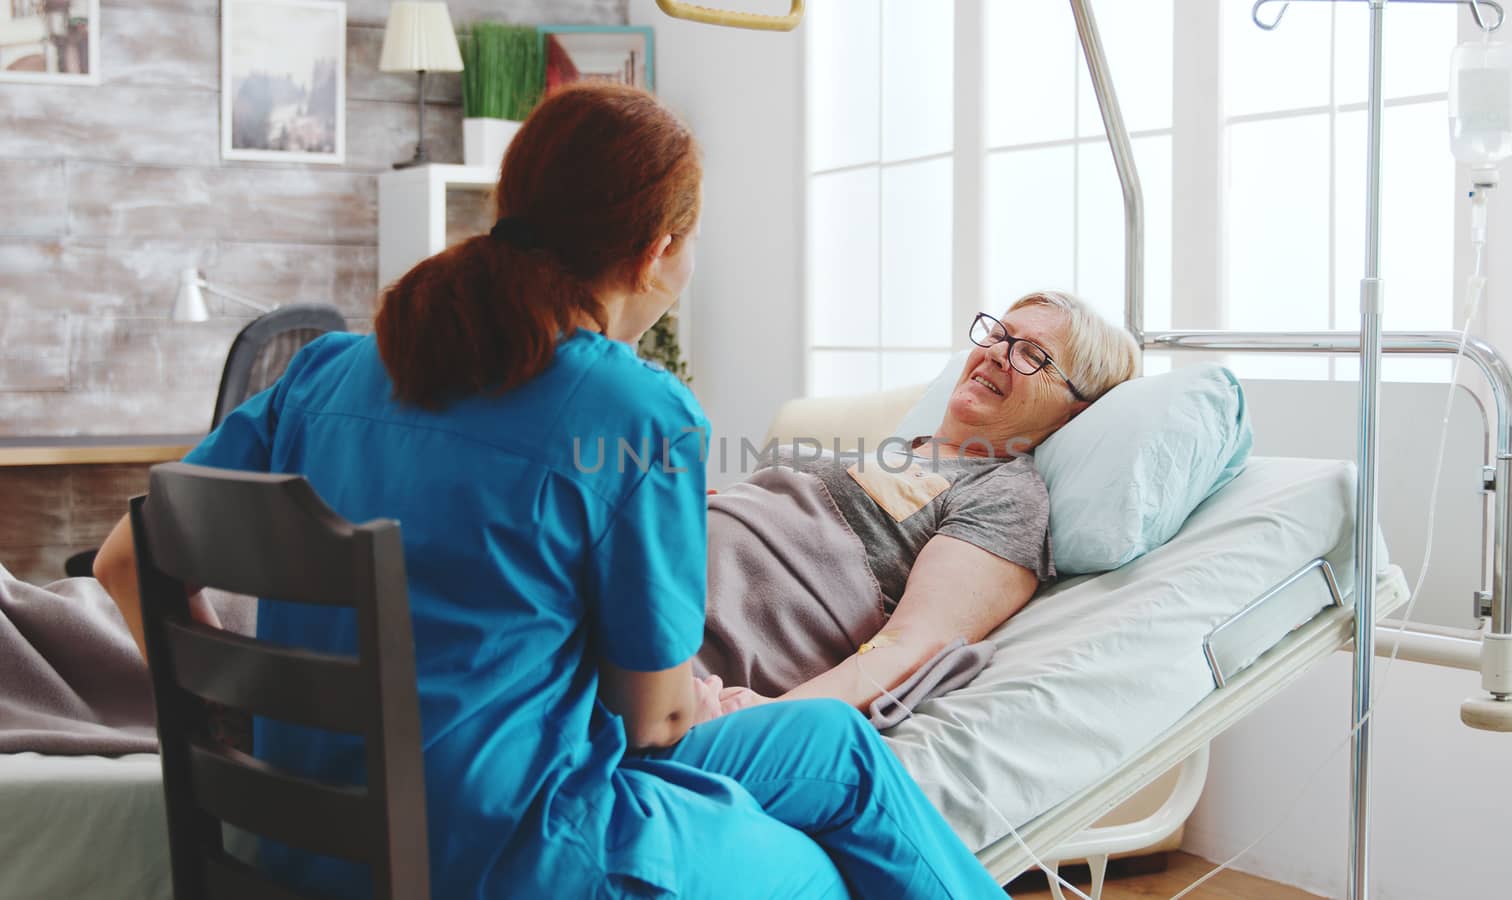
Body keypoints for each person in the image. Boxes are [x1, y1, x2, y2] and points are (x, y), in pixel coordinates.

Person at [91, 83, 1005, 900]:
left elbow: (124, 558)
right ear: (659, 253)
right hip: (516, 849)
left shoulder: (325, 372)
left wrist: (236, 716)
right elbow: (654, 720)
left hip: (316, 832)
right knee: (818, 874)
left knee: (837, 749)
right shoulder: (636, 408)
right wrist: (694, 699)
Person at [702, 292, 1139, 715]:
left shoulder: (1004, 494)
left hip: (688, 646)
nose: (998, 353)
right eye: (998, 334)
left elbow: (914, 643)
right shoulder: (884, 455)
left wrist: (771, 716)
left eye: (1033, 355)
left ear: (1074, 411)